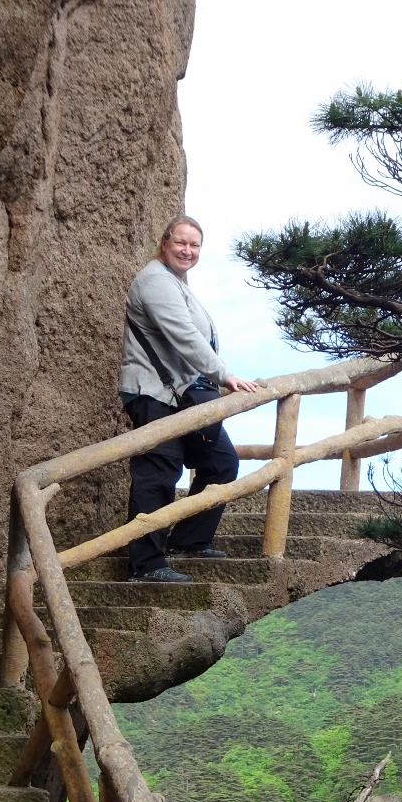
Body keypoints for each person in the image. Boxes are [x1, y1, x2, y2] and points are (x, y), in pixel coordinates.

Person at [119, 215, 258, 582]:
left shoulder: (176, 282)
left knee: (220, 462)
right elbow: (185, 335)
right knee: (158, 472)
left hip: (181, 396)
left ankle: (188, 540)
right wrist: (223, 374)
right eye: (180, 242)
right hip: (153, 392)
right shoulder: (155, 281)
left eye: (195, 245)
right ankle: (146, 565)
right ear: (165, 242)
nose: (187, 250)